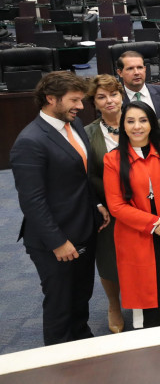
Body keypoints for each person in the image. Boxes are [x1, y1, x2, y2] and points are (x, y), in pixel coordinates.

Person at [11, 72, 110, 345]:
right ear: (50, 99)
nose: (80, 106)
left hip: (84, 227)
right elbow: (32, 201)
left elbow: (81, 174)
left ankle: (81, 341)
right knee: (60, 303)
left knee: (81, 294)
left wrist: (97, 204)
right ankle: (58, 360)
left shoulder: (74, 125)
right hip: (54, 241)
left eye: (81, 99)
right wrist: (58, 242)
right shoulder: (30, 142)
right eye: (74, 100)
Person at [103, 101, 160, 328]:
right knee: (148, 295)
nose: (137, 127)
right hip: (139, 235)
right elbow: (116, 206)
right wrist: (156, 223)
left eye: (143, 120)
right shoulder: (113, 159)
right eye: (130, 121)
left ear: (152, 124)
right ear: (122, 125)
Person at [84, 75, 126, 333]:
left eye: (113, 94)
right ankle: (114, 304)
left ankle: (144, 300)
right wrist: (98, 204)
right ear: (94, 103)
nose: (109, 100)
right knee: (108, 258)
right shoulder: (87, 133)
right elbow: (85, 177)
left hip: (144, 205)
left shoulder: (139, 121)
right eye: (101, 97)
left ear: (122, 96)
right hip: (107, 210)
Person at [116, 51, 160, 118]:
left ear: (145, 69)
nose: (136, 72)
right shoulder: (115, 99)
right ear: (120, 72)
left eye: (140, 67)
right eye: (130, 68)